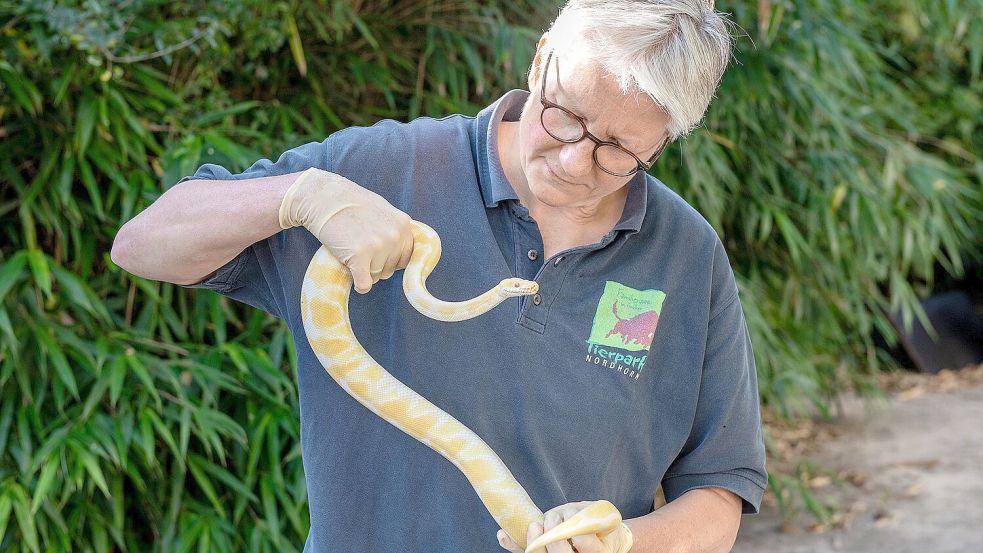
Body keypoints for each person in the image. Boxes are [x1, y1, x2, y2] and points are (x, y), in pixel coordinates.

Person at [111, 1, 767, 551]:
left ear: (663, 143)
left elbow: (717, 494)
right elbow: (142, 244)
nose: (572, 159)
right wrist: (297, 194)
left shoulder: (686, 257)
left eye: (618, 149)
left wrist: (621, 541)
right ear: (540, 61)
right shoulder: (387, 169)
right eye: (564, 113)